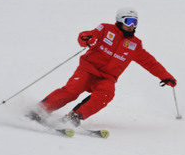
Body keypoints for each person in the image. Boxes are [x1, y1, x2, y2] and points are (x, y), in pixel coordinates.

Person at [28, 7, 176, 126]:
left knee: (106, 94)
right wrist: (86, 39)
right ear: (119, 20)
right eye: (129, 21)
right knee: (72, 91)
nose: (131, 26)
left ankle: (75, 116)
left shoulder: (135, 45)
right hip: (87, 69)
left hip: (107, 78)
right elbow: (87, 35)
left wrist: (166, 76)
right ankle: (39, 111)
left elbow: (150, 62)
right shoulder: (106, 29)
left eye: (135, 23)